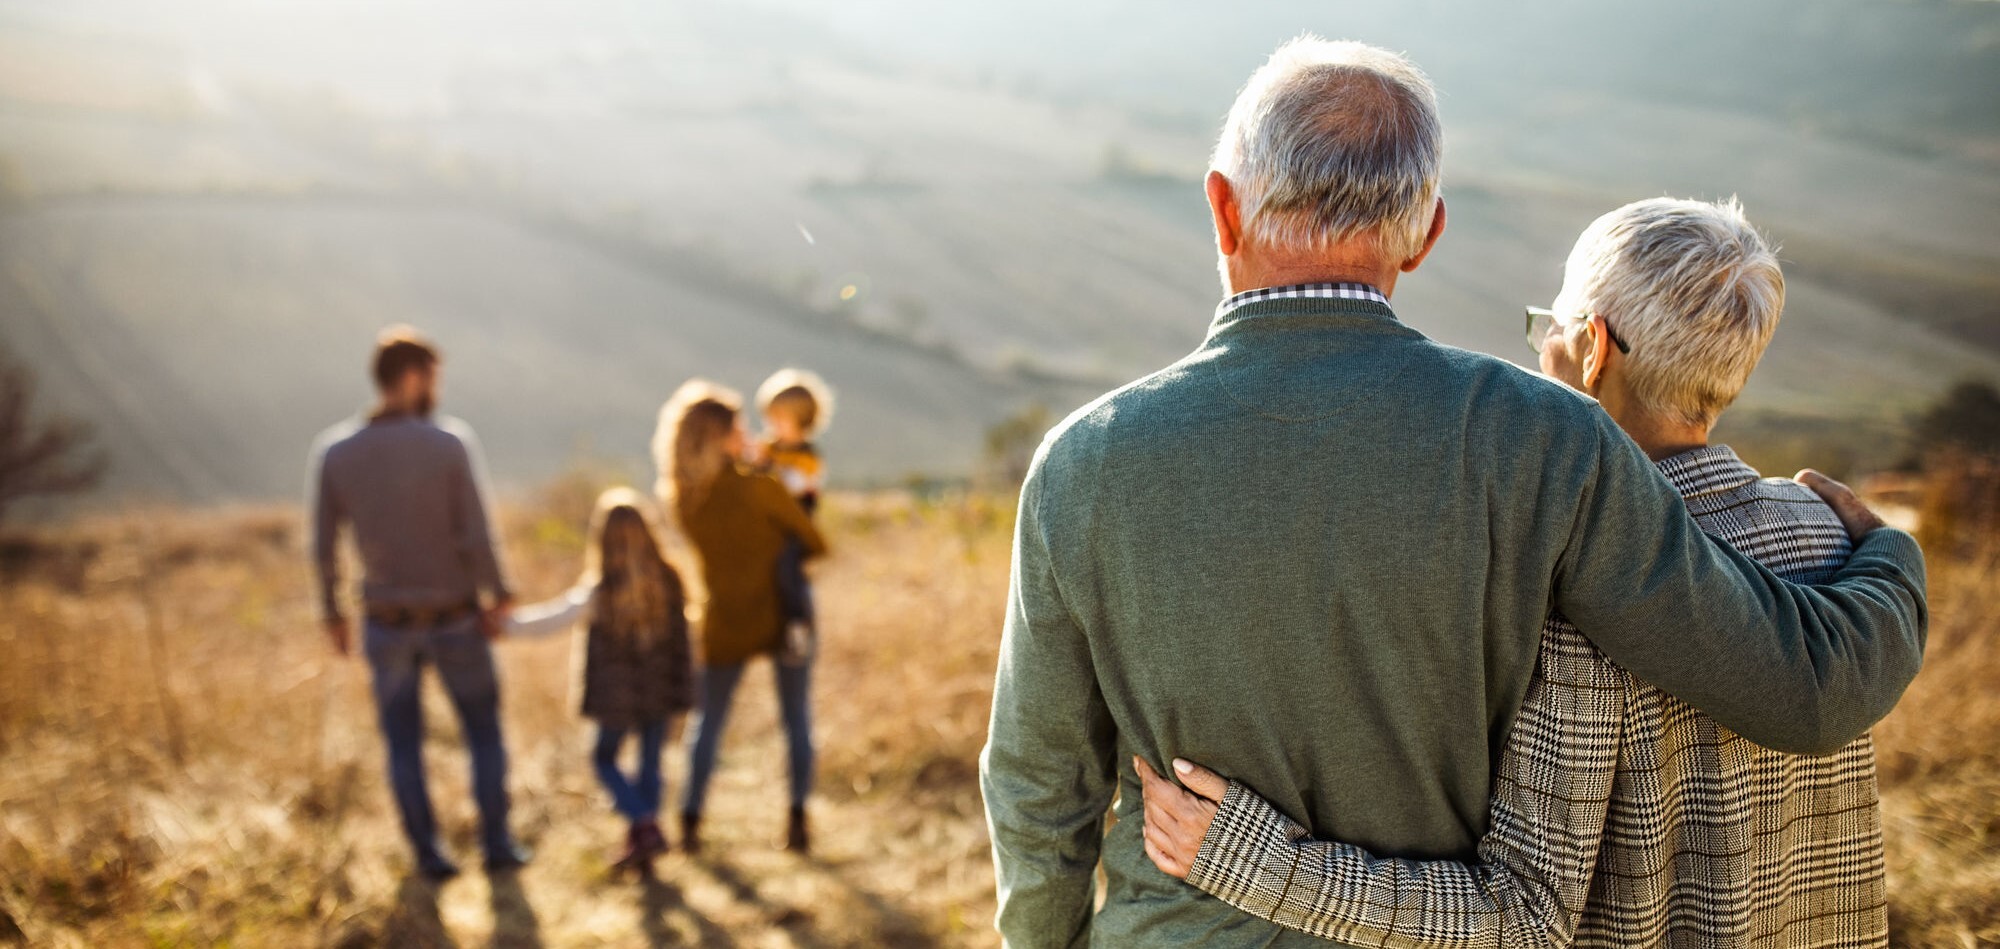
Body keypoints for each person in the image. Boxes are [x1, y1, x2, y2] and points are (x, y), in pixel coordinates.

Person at [977, 37, 1927, 947]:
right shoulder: (1545, 439)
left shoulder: (1082, 462)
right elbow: (1795, 686)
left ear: (1223, 210)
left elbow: (1038, 788)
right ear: (1425, 234)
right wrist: (1887, 555)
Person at [1139, 197, 1898, 946]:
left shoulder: (1574, 584)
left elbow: (1526, 914)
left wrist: (1257, 862)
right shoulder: (1829, 536)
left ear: (1595, 350)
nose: (1540, 353)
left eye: (1550, 331)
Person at [308, 326, 528, 880]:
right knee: (483, 732)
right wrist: (498, 594)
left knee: (402, 742)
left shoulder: (336, 451)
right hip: (454, 616)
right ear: (412, 377)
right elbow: (476, 534)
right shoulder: (448, 443)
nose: (437, 390)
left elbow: (323, 543)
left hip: (384, 623)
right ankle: (497, 845)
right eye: (433, 377)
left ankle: (429, 855)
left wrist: (332, 613)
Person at [654, 379, 829, 855]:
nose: (749, 431)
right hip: (784, 611)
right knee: (796, 717)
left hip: (724, 616)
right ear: (721, 436)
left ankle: (689, 820)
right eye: (738, 426)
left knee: (707, 721)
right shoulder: (760, 488)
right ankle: (796, 819)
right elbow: (814, 540)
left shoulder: (683, 499)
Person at [509, 488, 695, 876]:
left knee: (603, 758)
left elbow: (553, 619)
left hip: (617, 697)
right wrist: (685, 687)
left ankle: (644, 825)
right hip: (659, 691)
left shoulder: (601, 589)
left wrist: (505, 626)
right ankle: (644, 837)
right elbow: (685, 641)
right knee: (649, 763)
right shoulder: (670, 579)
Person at [752, 368, 836, 665]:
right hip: (769, 527)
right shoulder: (768, 448)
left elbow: (796, 486)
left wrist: (768, 470)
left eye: (779, 418)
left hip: (795, 529)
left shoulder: (808, 457)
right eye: (769, 417)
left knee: (788, 570)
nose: (772, 425)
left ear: (802, 421)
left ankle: (798, 624)